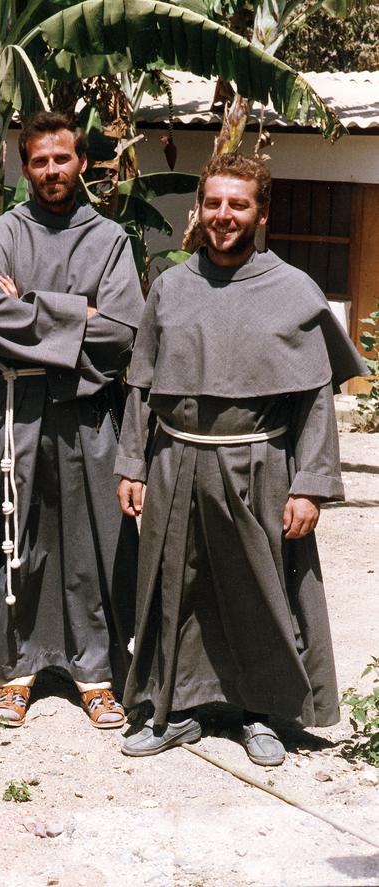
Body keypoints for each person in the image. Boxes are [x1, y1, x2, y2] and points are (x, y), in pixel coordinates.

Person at [116, 153, 368, 765]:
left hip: (258, 464)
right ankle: (172, 710)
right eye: (214, 203)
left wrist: (309, 485)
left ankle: (262, 713)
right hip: (177, 459)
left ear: (261, 212)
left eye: (239, 204)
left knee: (261, 590)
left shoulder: (293, 289)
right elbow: (141, 384)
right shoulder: (172, 287)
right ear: (198, 209)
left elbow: (313, 399)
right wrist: (132, 463)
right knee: (175, 587)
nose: (224, 215)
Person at [0, 111, 144, 729]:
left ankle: (95, 672)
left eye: (62, 159)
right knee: (15, 537)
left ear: (81, 162)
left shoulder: (109, 238)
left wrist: (32, 304)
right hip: (16, 413)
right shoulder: (0, 235)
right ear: (24, 167)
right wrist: (79, 310)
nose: (52, 171)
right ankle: (14, 669)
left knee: (88, 540)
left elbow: (122, 332)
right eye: (39, 161)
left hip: (85, 414)